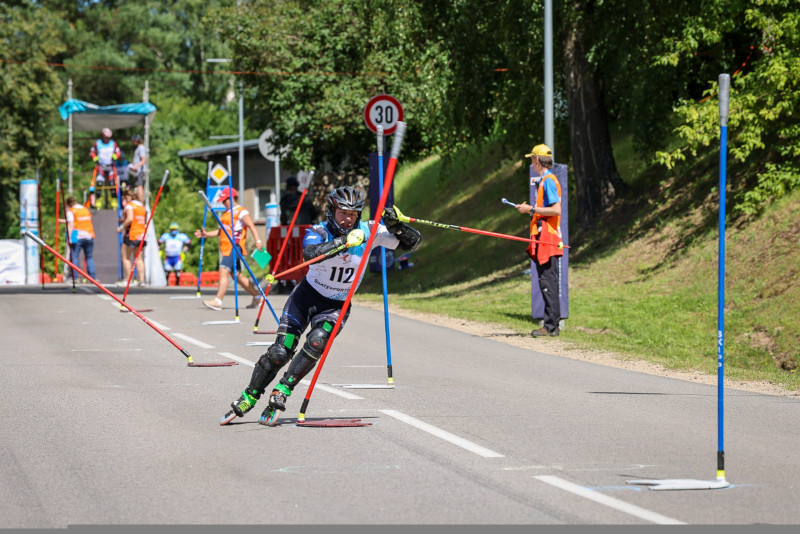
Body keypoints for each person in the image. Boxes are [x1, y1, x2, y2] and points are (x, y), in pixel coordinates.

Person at [220, 185, 422, 426]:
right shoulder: (319, 230)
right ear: (331, 211)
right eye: (342, 213)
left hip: (337, 304)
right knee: (279, 352)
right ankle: (250, 395)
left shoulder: (371, 230)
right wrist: (345, 242)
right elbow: (310, 253)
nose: (347, 219)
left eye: (353, 214)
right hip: (306, 298)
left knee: (317, 341)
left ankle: (283, 390)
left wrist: (398, 226)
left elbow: (412, 244)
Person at [516, 144, 563, 337]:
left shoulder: (548, 180)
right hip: (545, 237)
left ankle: (550, 326)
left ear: (538, 160)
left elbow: (556, 210)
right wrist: (530, 209)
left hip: (548, 238)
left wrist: (532, 210)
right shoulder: (544, 180)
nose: (531, 162)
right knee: (547, 280)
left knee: (547, 281)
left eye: (532, 159)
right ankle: (552, 325)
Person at [195, 187, 263, 310]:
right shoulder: (227, 213)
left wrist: (258, 241)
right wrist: (206, 234)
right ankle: (257, 296)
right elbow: (221, 231)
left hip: (235, 246)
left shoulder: (241, 211)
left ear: (231, 198)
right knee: (236, 275)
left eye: (224, 200)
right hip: (226, 248)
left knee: (223, 270)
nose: (222, 202)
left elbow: (251, 226)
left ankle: (218, 301)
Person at [118, 188, 147, 287]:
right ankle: (141, 281)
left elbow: (130, 219)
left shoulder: (129, 206)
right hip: (141, 235)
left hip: (131, 234)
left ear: (127, 196)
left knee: (125, 257)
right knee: (139, 258)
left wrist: (121, 227)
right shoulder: (141, 206)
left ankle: (128, 280)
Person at [64, 196, 96, 281]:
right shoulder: (85, 209)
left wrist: (69, 238)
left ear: (69, 204)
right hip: (89, 235)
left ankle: (74, 276)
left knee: (74, 256)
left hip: (77, 235)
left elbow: (71, 224)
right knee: (89, 257)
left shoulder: (71, 211)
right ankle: (92, 277)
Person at [89, 128, 122, 209]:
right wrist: (95, 158)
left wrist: (116, 156)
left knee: (112, 184)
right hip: (101, 166)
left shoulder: (113, 143)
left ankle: (114, 203)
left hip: (110, 166)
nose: (107, 138)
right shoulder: (98, 143)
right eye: (106, 137)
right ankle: (98, 202)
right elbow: (92, 151)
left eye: (108, 137)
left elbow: (118, 152)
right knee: (99, 183)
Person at [128, 134, 147, 202]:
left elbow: (143, 160)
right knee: (137, 185)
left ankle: (141, 201)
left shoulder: (141, 148)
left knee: (139, 185)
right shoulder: (139, 148)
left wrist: (136, 166)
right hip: (137, 171)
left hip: (139, 171)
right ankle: (139, 200)